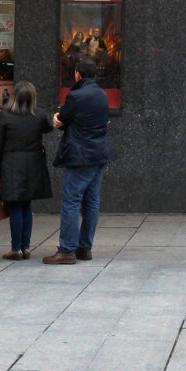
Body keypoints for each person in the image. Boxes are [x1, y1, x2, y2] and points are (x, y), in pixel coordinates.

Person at [44, 58, 117, 265]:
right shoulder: (102, 95)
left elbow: (64, 118)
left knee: (71, 201)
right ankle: (85, 247)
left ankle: (67, 249)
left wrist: (59, 119)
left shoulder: (75, 96)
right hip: (99, 153)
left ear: (78, 74)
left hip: (80, 155)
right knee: (92, 202)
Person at [0, 81, 53, 259]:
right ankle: (26, 247)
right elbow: (49, 128)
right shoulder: (39, 115)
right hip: (33, 163)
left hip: (11, 163)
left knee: (15, 206)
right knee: (27, 205)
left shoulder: (6, 115)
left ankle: (16, 248)